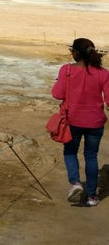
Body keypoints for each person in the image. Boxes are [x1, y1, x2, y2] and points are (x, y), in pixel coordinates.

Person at [52, 38, 109, 207]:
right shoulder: (103, 73)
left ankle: (75, 183)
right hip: (95, 122)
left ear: (75, 53)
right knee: (91, 156)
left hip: (72, 121)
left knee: (70, 152)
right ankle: (91, 196)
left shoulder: (66, 70)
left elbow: (57, 94)